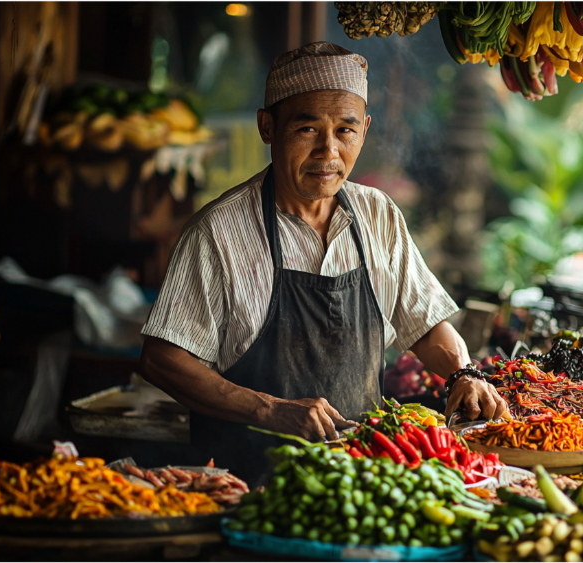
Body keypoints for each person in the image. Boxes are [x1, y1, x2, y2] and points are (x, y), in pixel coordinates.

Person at [140, 42, 507, 481]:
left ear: (365, 130)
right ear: (267, 127)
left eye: (345, 131)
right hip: (247, 485)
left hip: (363, 483)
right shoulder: (218, 233)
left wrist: (463, 374)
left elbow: (423, 321)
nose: (328, 152)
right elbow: (162, 359)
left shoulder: (378, 215)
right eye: (307, 129)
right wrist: (271, 410)